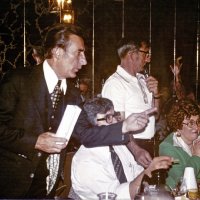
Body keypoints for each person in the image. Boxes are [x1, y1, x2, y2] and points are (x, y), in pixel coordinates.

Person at [0, 23, 155, 199]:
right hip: (9, 185)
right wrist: (34, 141)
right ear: (58, 52)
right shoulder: (19, 81)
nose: (84, 61)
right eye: (78, 53)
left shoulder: (72, 94)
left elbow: (85, 134)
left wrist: (124, 126)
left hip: (44, 187)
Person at [71, 97, 173, 199]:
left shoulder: (117, 145)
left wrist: (150, 173)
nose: (116, 121)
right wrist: (148, 171)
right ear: (91, 127)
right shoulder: (86, 161)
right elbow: (115, 196)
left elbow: (136, 172)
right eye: (108, 118)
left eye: (114, 115)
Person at [102, 36, 160, 166]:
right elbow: (117, 125)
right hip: (129, 147)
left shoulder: (143, 80)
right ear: (132, 55)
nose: (148, 59)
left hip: (148, 144)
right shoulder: (115, 84)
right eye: (146, 53)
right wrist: (136, 150)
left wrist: (156, 95)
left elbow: (156, 116)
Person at [159, 99, 200, 190]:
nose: (196, 127)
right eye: (190, 123)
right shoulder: (167, 148)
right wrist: (197, 156)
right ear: (177, 125)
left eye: (198, 121)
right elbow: (183, 181)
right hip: (178, 195)